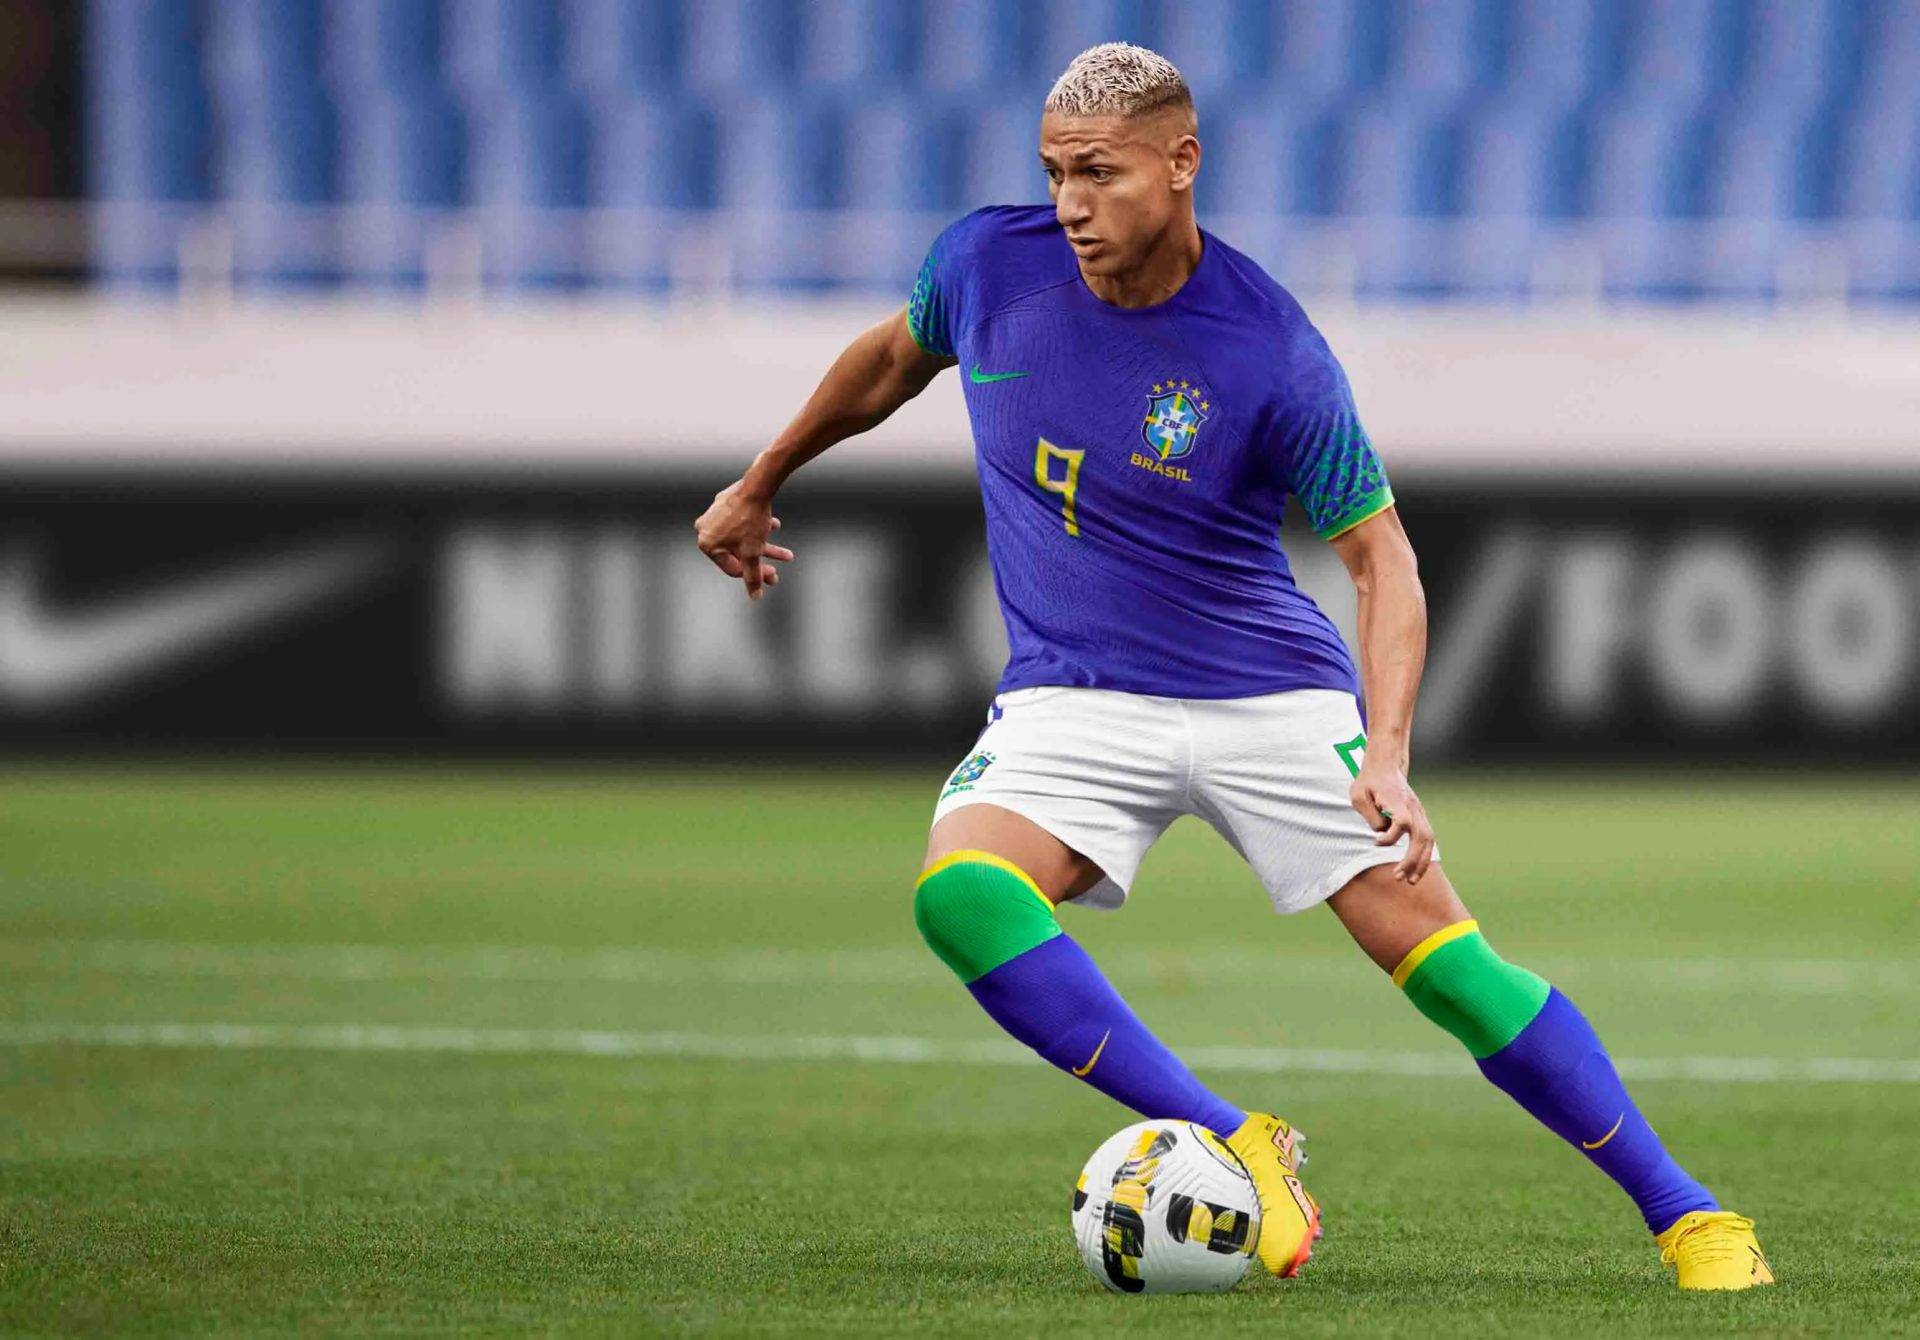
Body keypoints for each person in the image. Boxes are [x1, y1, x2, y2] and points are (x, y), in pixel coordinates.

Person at [694, 42, 1770, 1292]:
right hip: (1073, 694)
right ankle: (1232, 1136)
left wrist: (1391, 756)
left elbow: (1383, 562)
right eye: (1054, 172)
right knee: (962, 894)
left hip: (1269, 695)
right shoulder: (984, 264)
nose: (1071, 204)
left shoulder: (1270, 349)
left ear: (1181, 163)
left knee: (1452, 972)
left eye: (1100, 173)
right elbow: (889, 360)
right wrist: (760, 480)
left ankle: (1691, 1215)